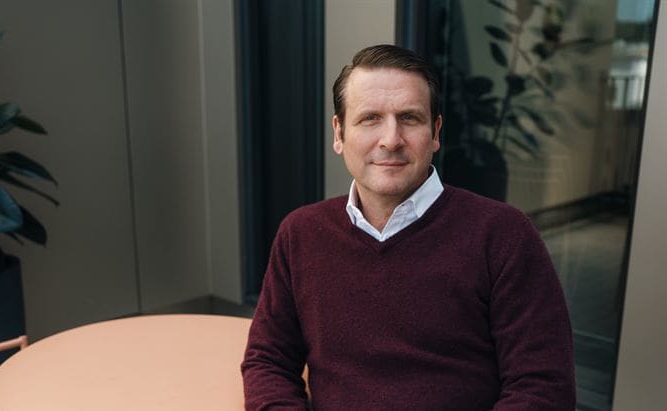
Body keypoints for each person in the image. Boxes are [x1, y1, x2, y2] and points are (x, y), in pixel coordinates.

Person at [241, 44, 575, 410]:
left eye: (409, 118)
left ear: (435, 131)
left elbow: (543, 387)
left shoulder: (503, 235)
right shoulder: (301, 234)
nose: (391, 139)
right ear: (339, 133)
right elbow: (268, 360)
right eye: (370, 118)